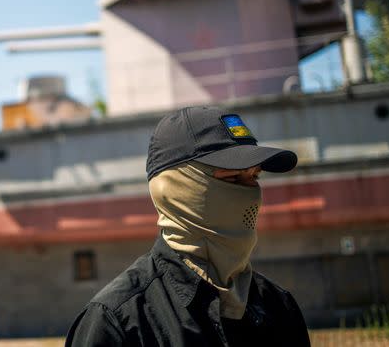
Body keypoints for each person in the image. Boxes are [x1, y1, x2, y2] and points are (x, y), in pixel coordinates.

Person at [65, 106, 311, 346]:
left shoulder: (278, 306)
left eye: (254, 177)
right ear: (175, 190)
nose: (251, 194)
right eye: (233, 178)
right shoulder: (116, 324)